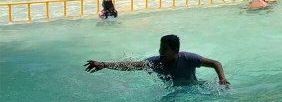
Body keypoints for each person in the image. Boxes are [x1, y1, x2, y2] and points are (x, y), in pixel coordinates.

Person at [84, 34, 229, 87]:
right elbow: (130, 65)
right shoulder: (155, 62)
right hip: (171, 92)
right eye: (160, 48)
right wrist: (104, 65)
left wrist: (222, 79)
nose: (160, 52)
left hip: (194, 88)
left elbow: (216, 63)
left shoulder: (188, 58)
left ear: (175, 51)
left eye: (164, 49)